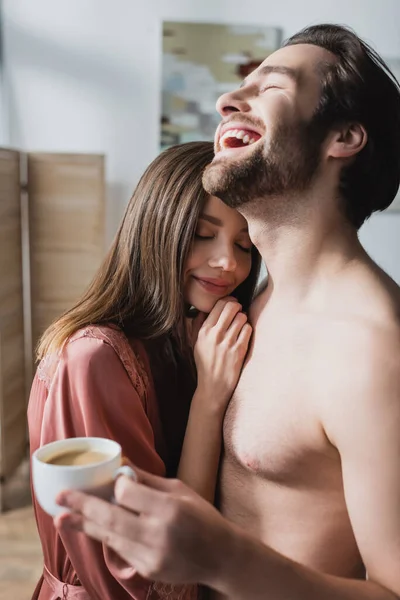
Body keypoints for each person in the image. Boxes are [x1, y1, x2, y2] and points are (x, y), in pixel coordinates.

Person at [56, 23, 400, 600]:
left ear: (343, 138)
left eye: (273, 87)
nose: (226, 101)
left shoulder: (371, 348)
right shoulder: (251, 301)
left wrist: (224, 557)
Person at [28, 140, 261, 600]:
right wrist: (209, 400)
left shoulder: (188, 336)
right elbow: (150, 573)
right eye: (201, 232)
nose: (228, 263)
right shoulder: (93, 358)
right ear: (157, 226)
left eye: (245, 244)